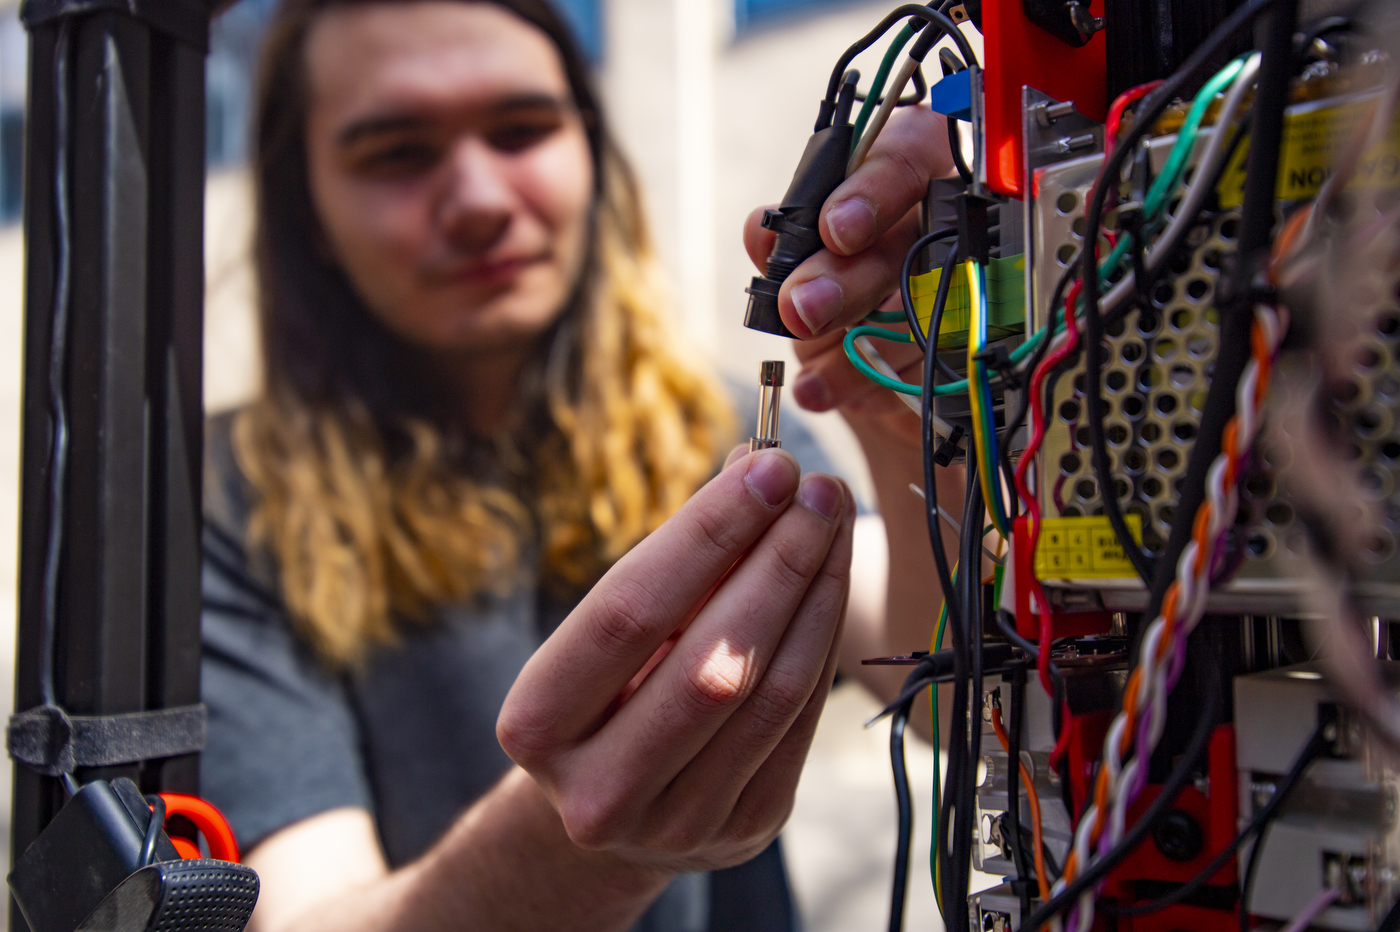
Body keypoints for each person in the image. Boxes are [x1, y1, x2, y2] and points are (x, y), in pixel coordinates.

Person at [198, 1, 960, 930]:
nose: (479, 199)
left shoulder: (713, 428)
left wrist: (910, 416)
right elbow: (302, 917)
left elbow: (950, 701)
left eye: (522, 130)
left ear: (591, 153)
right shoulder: (228, 501)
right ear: (304, 202)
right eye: (397, 152)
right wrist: (581, 853)